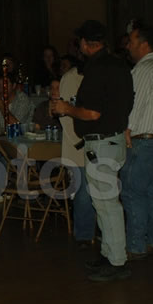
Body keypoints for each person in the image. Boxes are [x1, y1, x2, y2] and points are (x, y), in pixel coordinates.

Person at [51, 20, 134, 282]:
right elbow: (125, 103)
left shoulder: (98, 69)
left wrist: (66, 108)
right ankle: (109, 255)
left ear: (85, 44)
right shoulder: (119, 64)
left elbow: (93, 113)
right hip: (113, 140)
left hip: (102, 144)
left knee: (107, 205)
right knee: (104, 203)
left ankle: (117, 261)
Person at [121, 24, 153, 260]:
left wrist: (126, 130)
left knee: (133, 192)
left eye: (131, 42)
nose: (128, 46)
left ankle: (136, 246)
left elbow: (135, 105)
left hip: (144, 141)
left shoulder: (144, 69)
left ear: (143, 44)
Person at [57, 68, 97, 248]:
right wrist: (79, 142)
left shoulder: (98, 74)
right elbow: (64, 115)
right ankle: (84, 235)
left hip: (96, 143)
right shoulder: (70, 79)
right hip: (78, 146)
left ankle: (95, 231)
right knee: (83, 192)